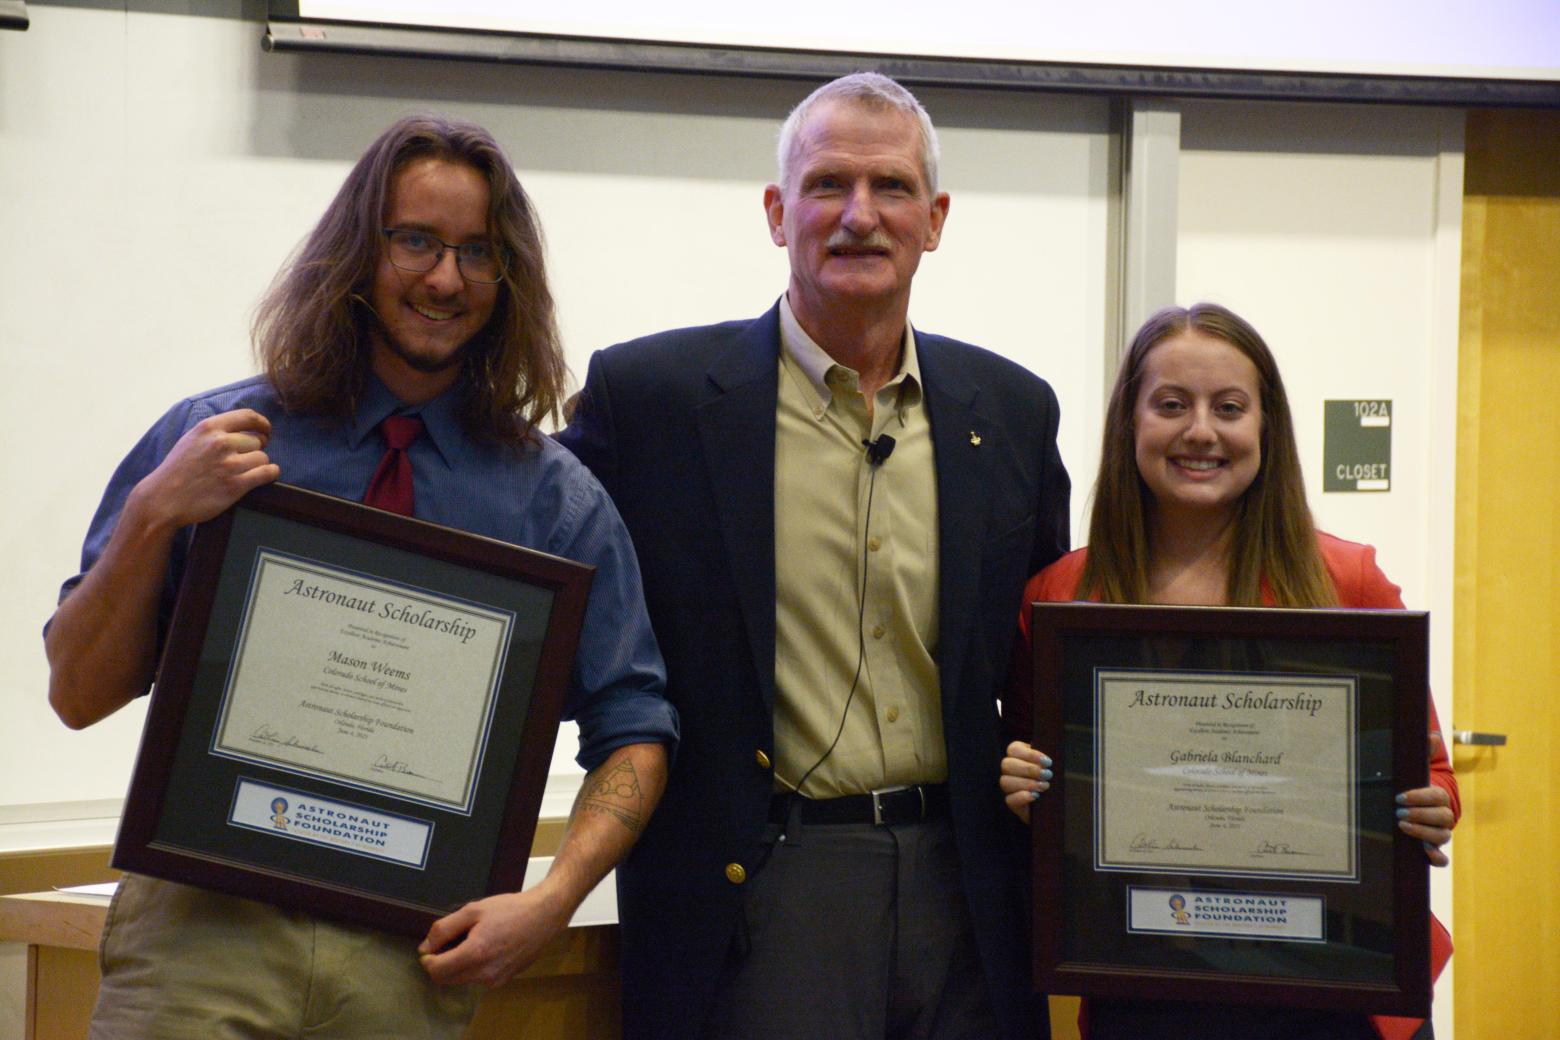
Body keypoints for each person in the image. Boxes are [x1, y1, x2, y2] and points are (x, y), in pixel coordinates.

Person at [44, 114, 678, 1039]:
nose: (444, 278)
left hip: (410, 958)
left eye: (477, 253)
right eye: (415, 240)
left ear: (509, 282)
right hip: (202, 934)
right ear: (357, 249)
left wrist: (551, 901)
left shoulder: (555, 503)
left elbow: (637, 729)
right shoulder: (219, 439)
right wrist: (152, 512)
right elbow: (76, 692)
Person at [559, 71, 1070, 1040]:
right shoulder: (654, 398)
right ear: (776, 210)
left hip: (967, 885)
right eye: (828, 183)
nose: (859, 216)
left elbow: (1044, 646)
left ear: (936, 217)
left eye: (891, 188)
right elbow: (542, 580)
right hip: (759, 880)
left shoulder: (1008, 409)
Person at [999, 303, 1458, 1040]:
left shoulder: (1347, 580)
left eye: (1230, 408)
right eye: (1171, 405)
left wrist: (1432, 803)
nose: (1201, 431)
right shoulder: (1064, 596)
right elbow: (1035, 778)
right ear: (1131, 425)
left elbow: (1432, 770)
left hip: (1338, 990)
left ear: (1265, 428)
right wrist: (1027, 791)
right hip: (1143, 987)